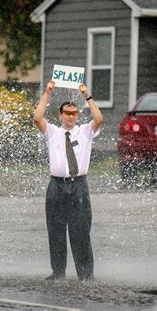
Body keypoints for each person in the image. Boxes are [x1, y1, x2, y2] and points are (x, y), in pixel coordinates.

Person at [33, 80, 103, 282]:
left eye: (74, 113)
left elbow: (99, 119)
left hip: (79, 185)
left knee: (80, 230)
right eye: (67, 113)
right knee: (55, 230)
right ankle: (58, 272)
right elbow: (37, 118)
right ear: (61, 115)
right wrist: (47, 93)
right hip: (57, 185)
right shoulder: (53, 132)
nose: (71, 117)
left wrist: (87, 96)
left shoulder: (85, 132)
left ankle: (86, 274)